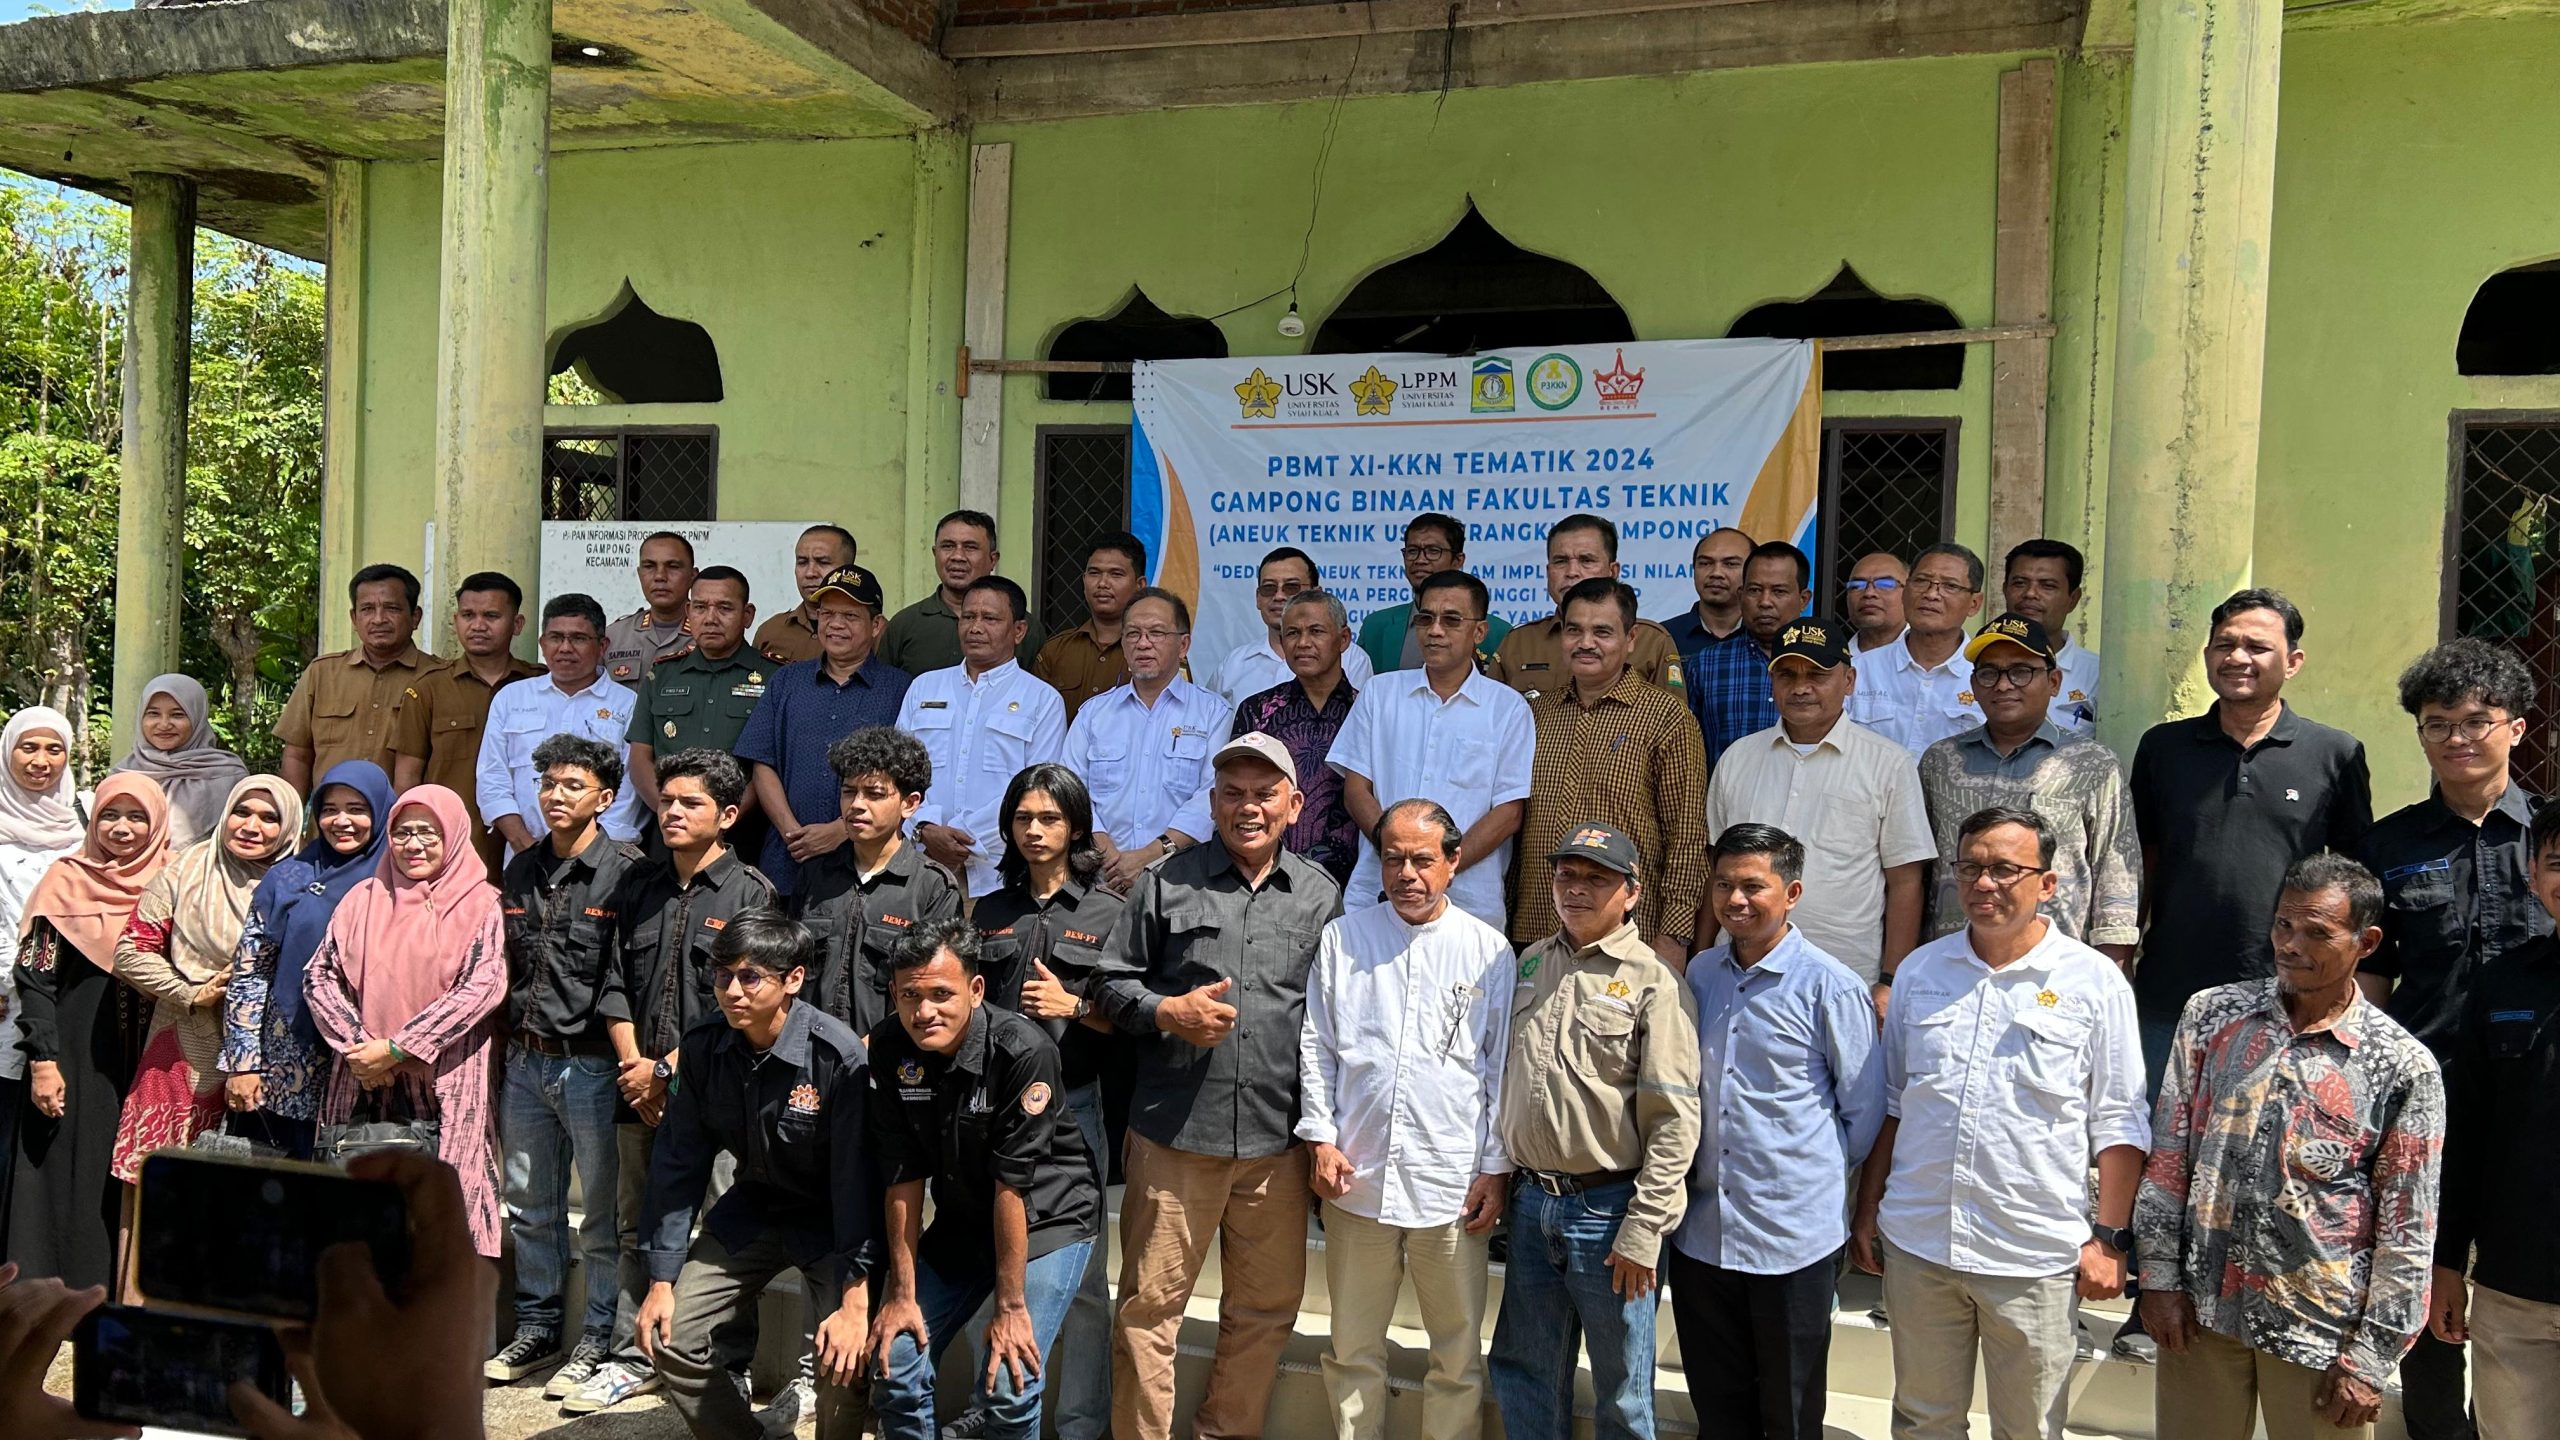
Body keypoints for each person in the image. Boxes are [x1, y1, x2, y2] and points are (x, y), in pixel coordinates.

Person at [1851, 806, 2148, 1440]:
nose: (1986, 884)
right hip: (1921, 1241)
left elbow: (2120, 1120)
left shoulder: (2095, 982)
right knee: (1924, 1422)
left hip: (2032, 1253)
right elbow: (1896, 1102)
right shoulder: (1920, 974)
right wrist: (1870, 1205)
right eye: (1972, 868)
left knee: (2030, 1429)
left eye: (2007, 870)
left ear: (2047, 883)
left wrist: (2110, 1237)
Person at [2137, 853, 2442, 1440]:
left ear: (2367, 941)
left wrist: (2371, 1359)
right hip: (2201, 1315)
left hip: (2320, 1334)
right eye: (2283, 925)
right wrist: (2158, 1279)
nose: (2291, 945)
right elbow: (2170, 1157)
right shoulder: (2212, 1016)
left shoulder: (2401, 1066)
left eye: (2316, 933)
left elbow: (2408, 1228)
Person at [1092, 732, 1344, 1440]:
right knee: (1149, 1309)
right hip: (1176, 1135)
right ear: (1211, 803)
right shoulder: (1167, 881)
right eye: (1232, 793)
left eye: (1265, 794)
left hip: (1276, 1145)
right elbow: (1110, 982)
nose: (1248, 808)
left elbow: (1331, 1023)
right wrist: (1165, 1012)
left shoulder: (1321, 898)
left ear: (1294, 805)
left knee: (1264, 1313)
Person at [2358, 636, 2547, 1440]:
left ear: (2517, 728)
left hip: (2533, 1101)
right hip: (2426, 1096)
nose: (2458, 738)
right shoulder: (2391, 845)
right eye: (2439, 724)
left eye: (2478, 720)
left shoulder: (2549, 837)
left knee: (2518, 1286)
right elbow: (2371, 980)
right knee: (2423, 1283)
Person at [1297, 798, 1513, 1440]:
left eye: (1423, 859)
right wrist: (1320, 1138)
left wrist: (1495, 1169)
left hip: (1450, 1186)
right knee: (1352, 1350)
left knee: (1455, 1356)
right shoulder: (1345, 939)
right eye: (1393, 859)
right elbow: (1318, 1046)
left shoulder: (1487, 951)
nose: (1407, 874)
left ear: (1453, 863)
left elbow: (1500, 1069)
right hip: (1354, 1181)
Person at [1673, 824, 1886, 1440]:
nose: (1735, 900)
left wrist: (1802, 1179)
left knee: (1790, 1415)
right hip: (1703, 1234)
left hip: (1791, 1239)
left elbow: (1862, 1112)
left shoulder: (1830, 986)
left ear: (1791, 893)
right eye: (1723, 884)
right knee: (1718, 1407)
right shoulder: (1701, 975)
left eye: (1752, 886)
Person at [1489, 821, 1701, 1440]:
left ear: (1631, 892)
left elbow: (1674, 1119)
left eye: (1596, 878)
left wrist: (1644, 1228)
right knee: (1525, 1369)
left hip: (1609, 1213)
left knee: (1622, 1393)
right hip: (1533, 1206)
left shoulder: (1655, 982)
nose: (1576, 888)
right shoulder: (1530, 962)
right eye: (1567, 874)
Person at [586, 746, 781, 1416]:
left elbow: (750, 1005)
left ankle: (727, 1364)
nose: (672, 812)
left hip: (720, 1095)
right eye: (666, 801)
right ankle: (632, 1355)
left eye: (689, 802)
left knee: (725, 1233)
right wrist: (637, 1068)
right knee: (638, 1221)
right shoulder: (638, 885)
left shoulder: (751, 893)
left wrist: (668, 1069)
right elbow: (612, 983)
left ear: (727, 815)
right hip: (639, 1091)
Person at [633, 911, 875, 1440]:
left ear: (792, 980)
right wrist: (661, 1279)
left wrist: (856, 1294)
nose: (733, 992)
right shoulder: (702, 1048)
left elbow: (857, 1183)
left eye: (750, 977)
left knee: (843, 1358)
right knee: (670, 1336)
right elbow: (678, 1165)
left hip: (833, 1222)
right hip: (755, 1210)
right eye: (723, 977)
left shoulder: (837, 1056)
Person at [865, 918, 1101, 1440]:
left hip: (1048, 1218)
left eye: (941, 994)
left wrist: (1010, 1308)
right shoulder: (888, 1048)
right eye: (909, 995)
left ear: (976, 989)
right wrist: (901, 1294)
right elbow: (902, 1176)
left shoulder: (1023, 1050)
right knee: (895, 1361)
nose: (924, 1012)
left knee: (1010, 1379)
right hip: (965, 1216)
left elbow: (1011, 1184)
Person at [2128, 589, 2372, 1088]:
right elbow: (2140, 859)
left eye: (2257, 647)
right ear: (2207, 656)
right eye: (2224, 645)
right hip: (2170, 989)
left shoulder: (2335, 754)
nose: (2237, 657)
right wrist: (2125, 954)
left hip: (2286, 990)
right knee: (2160, 1142)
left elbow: (2352, 878)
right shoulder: (2163, 748)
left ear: (2293, 661)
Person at [483, 735, 645, 1394]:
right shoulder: (520, 868)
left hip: (593, 1067)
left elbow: (626, 976)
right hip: (526, 1060)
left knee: (603, 1216)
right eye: (547, 783)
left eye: (572, 786)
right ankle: (538, 1330)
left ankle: (597, 1340)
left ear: (605, 798)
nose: (554, 795)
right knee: (529, 1206)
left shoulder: (629, 872)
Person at [971, 762, 1126, 1440]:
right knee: (991, 1267)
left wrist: (1078, 1006)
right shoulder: (991, 910)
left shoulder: (1110, 913)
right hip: (993, 1114)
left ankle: (1081, 1425)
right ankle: (996, 1412)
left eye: (1050, 819)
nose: (1035, 831)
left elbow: (1136, 1019)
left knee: (1085, 1287)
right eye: (1024, 818)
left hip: (1074, 1116)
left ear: (1076, 828)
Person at [305, 784, 509, 1257]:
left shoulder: (480, 904)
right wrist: (360, 1047)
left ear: (455, 836)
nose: (413, 844)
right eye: (402, 832)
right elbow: (319, 974)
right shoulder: (362, 898)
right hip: (361, 1079)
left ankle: (446, 1326)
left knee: (446, 1210)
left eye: (428, 833)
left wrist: (398, 1047)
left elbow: (482, 986)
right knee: (358, 1214)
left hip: (447, 1078)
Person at [1705, 617, 1935, 999]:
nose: (1801, 688)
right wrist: (1702, 959)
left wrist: (1891, 981)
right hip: (1737, 972)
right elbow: (1712, 870)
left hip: (1843, 979)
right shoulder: (1738, 758)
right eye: (1787, 675)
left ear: (1849, 681)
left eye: (1817, 675)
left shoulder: (1888, 764)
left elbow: (1906, 882)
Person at [6, 773, 171, 1289]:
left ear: (158, 821)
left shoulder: (176, 880)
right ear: (93, 820)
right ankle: (60, 1295)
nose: (122, 828)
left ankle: (121, 1290)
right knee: (69, 1171)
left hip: (153, 1056)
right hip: (76, 1054)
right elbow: (35, 979)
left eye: (136, 816)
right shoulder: (64, 880)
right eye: (110, 816)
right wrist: (44, 1061)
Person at [2433, 803, 2560, 1439]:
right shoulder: (2503, 983)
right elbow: (2469, 1134)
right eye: (2558, 862)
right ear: (2534, 875)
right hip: (2516, 1294)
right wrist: (2447, 1260)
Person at [1918, 614, 2141, 962]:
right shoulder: (1940, 762)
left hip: (2057, 968)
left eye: (2021, 671)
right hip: (1954, 963)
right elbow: (1919, 872)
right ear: (1973, 685)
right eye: (1989, 673)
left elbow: (2115, 874)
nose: (2003, 685)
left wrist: (2113, 966)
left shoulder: (2092, 764)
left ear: (2053, 681)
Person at [1509, 578, 1709, 967]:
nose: (1586, 643)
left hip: (1628, 935)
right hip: (1536, 931)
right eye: (1574, 630)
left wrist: (1673, 937)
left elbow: (1686, 836)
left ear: (1631, 638)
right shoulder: (1535, 716)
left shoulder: (1666, 719)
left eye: (1602, 631)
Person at [109, 775, 298, 1177]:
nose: (251, 826)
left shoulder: (302, 884)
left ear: (290, 828)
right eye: (241, 812)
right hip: (180, 1042)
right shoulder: (188, 869)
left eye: (269, 818)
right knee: (156, 1180)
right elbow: (130, 951)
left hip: (267, 1054)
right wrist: (189, 991)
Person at [1331, 570, 1535, 930]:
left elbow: (1508, 812)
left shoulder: (1508, 708)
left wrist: (1443, 867)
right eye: (1425, 618)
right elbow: (1355, 790)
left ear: (1480, 632)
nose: (1435, 630)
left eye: (1451, 620)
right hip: (1377, 893)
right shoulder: (1380, 694)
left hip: (1469, 903)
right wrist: (1398, 858)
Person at [223, 760, 394, 1161]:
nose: (341, 821)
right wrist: (243, 1064)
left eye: (357, 809)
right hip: (286, 1068)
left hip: (368, 1066)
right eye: (329, 809)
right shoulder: (288, 877)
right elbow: (250, 974)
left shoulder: (400, 881)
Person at [736, 564, 912, 898]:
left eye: (850, 615)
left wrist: (841, 830)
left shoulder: (900, 689)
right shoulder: (786, 681)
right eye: (827, 613)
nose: (836, 624)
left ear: (876, 625)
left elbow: (906, 779)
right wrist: (791, 831)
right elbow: (763, 762)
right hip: (787, 860)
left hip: (865, 865)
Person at [899, 575, 1069, 899]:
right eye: (968, 617)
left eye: (990, 618)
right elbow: (898, 776)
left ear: (1018, 631)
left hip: (999, 877)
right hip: (921, 867)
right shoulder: (924, 687)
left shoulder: (1042, 700)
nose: (975, 627)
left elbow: (1038, 789)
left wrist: (964, 840)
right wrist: (925, 829)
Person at [1058, 588, 1231, 893]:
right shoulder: (1093, 714)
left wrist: (1150, 855)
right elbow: (1070, 789)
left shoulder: (1214, 713)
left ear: (1183, 645)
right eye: (1133, 634)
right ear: (1122, 644)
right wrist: (1107, 853)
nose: (1143, 643)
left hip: (1182, 881)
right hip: (1100, 881)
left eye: (1156, 633)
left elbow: (1213, 794)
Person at [794, 727, 961, 1038]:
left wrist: (871, 1049)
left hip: (888, 1064)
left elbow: (933, 989)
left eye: (874, 794)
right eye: (848, 791)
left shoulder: (932, 887)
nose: (857, 804)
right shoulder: (814, 875)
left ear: (910, 804)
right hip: (809, 1059)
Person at [389, 572, 542, 876]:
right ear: (456, 621)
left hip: (531, 842)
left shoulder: (539, 684)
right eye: (468, 615)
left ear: (517, 624)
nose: (478, 625)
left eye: (492, 615)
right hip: (453, 847)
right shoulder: (428, 689)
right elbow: (407, 780)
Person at [476, 592, 642, 863]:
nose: (565, 648)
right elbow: (492, 779)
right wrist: (525, 845)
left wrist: (592, 852)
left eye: (578, 638)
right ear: (542, 643)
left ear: (602, 646)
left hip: (602, 862)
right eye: (556, 637)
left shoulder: (627, 704)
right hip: (524, 855)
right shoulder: (511, 698)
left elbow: (630, 791)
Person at [0, 708, 88, 1189]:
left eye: (54, 749)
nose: (41, 760)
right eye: (28, 747)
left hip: (65, 1002)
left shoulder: (86, 815)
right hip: (5, 999)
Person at [1229, 588, 1362, 886]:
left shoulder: (1366, 711)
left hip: (1353, 883)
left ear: (1343, 640)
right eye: (1292, 633)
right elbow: (1238, 793)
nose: (1303, 643)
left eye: (1316, 631)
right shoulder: (1258, 711)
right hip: (1266, 877)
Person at [275, 563, 439, 795]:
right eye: (367, 609)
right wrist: (291, 823)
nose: (378, 619)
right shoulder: (322, 673)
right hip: (330, 823)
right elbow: (297, 756)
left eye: (392, 608)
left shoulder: (437, 678)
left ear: (415, 617)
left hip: (402, 826)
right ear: (354, 618)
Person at [1487, 514, 1683, 699]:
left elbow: (1671, 719)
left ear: (1612, 571)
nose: (1572, 572)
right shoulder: (1519, 641)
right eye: (1561, 561)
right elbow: (1490, 720)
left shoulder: (1650, 641)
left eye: (1586, 560)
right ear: (1548, 571)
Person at [625, 566, 764, 818]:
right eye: (700, 607)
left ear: (747, 615)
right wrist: (671, 811)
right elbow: (639, 761)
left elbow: (770, 767)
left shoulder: (775, 677)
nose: (711, 618)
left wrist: (722, 819)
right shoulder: (662, 675)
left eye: (725, 608)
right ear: (688, 612)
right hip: (670, 825)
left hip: (743, 828)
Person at [1853, 542, 1987, 760]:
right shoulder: (1860, 670)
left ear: (1974, 604)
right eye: (1922, 581)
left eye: (1950, 586)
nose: (1932, 594)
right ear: (1905, 592)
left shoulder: (1988, 677)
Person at [1688, 541, 1811, 770]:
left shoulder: (1823, 665)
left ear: (1803, 599)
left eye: (1779, 591)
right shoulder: (1707, 664)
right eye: (1755, 590)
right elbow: (1689, 752)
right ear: (1741, 595)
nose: (1765, 602)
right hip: (1728, 801)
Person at [1207, 547, 1375, 707]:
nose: (1279, 596)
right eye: (1269, 588)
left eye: (1291, 587)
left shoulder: (1351, 658)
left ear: (1316, 594)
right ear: (1258, 598)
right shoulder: (1233, 665)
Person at [882, 510, 1044, 674]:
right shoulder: (905, 624)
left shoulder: (1021, 626)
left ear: (992, 559)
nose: (957, 556)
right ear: (934, 554)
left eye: (970, 547)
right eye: (948, 546)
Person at [1354, 512, 1511, 675]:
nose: (1420, 560)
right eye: (1412, 551)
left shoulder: (1498, 633)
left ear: (1458, 560)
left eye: (1433, 551)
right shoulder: (1375, 627)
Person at [108, 673, 249, 847]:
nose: (164, 724)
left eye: (177, 715)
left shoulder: (229, 775)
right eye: (153, 714)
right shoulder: (122, 775)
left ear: (197, 717)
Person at [1035, 532, 1149, 722]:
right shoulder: (1055, 651)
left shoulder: (1157, 650)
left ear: (1140, 585)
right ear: (1084, 580)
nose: (1103, 583)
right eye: (1094, 573)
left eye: (1116, 574)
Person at [2000, 539, 2099, 733]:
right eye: (2019, 583)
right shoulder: (1974, 666)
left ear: (2073, 599)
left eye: (2047, 586)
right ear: (2005, 590)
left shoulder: (2097, 676)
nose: (2030, 594)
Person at [753, 524, 859, 666]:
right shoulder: (771, 631)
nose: (810, 573)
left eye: (823, 562)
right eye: (802, 562)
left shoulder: (871, 632)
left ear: (848, 570)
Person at [603, 531, 700, 685]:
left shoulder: (709, 635)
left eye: (673, 566)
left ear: (693, 576)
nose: (660, 576)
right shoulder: (614, 637)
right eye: (649, 566)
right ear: (640, 574)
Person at [1663, 526, 1753, 682]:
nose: (1716, 573)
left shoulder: (1765, 637)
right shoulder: (1664, 637)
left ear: (1753, 572)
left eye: (1730, 564)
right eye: (1705, 563)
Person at [1844, 551, 1909, 656]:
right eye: (1857, 585)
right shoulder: (1833, 660)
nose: (1869, 593)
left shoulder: (1933, 655)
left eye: (1885, 584)